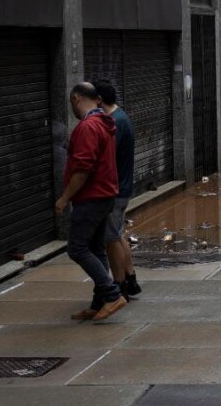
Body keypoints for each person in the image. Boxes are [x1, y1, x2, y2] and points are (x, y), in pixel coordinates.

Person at [55, 82, 127, 322]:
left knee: (76, 248)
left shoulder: (87, 126)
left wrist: (65, 197)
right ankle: (98, 304)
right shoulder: (105, 122)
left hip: (91, 197)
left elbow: (82, 169)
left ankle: (111, 294)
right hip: (106, 195)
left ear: (76, 98)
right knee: (96, 249)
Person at [94, 81, 142, 299]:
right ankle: (130, 279)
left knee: (110, 239)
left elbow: (106, 159)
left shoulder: (114, 123)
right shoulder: (120, 118)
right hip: (122, 188)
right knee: (118, 234)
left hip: (115, 191)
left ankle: (119, 285)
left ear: (99, 100)